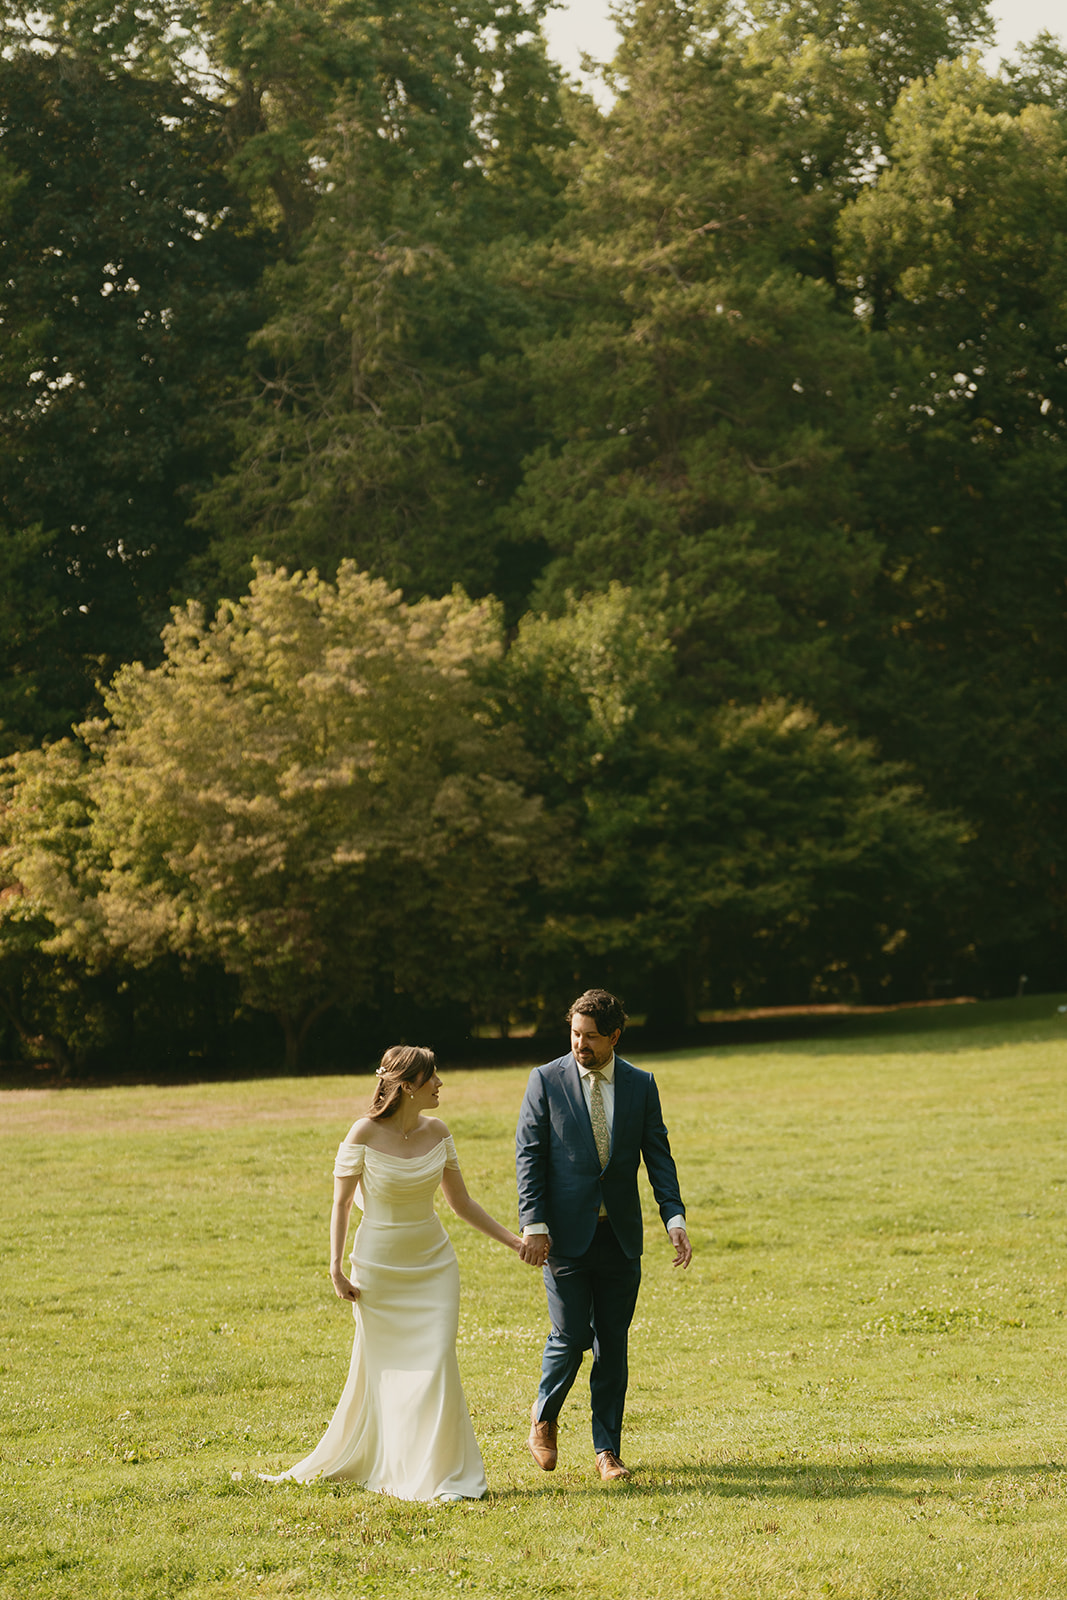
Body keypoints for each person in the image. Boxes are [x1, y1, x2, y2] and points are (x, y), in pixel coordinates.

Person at [264, 1045, 521, 1503]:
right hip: (378, 1269)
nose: (440, 1083)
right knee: (388, 1371)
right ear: (407, 1086)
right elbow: (341, 1205)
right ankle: (395, 1464)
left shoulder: (438, 1132)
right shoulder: (363, 1133)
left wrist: (516, 1242)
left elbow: (462, 1205)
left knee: (438, 1361)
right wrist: (335, 1268)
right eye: (432, 1077)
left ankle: (442, 1473)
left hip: (434, 1265)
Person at [515, 988, 691, 1482]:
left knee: (612, 1343)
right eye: (574, 1033)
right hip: (562, 1237)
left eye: (591, 1036)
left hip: (620, 1237)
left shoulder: (640, 1084)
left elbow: (658, 1155)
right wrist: (534, 1224)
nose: (580, 1044)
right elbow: (529, 1155)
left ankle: (607, 1451)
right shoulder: (545, 1081)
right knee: (571, 1337)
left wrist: (673, 1219)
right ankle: (544, 1417)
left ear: (615, 1036)